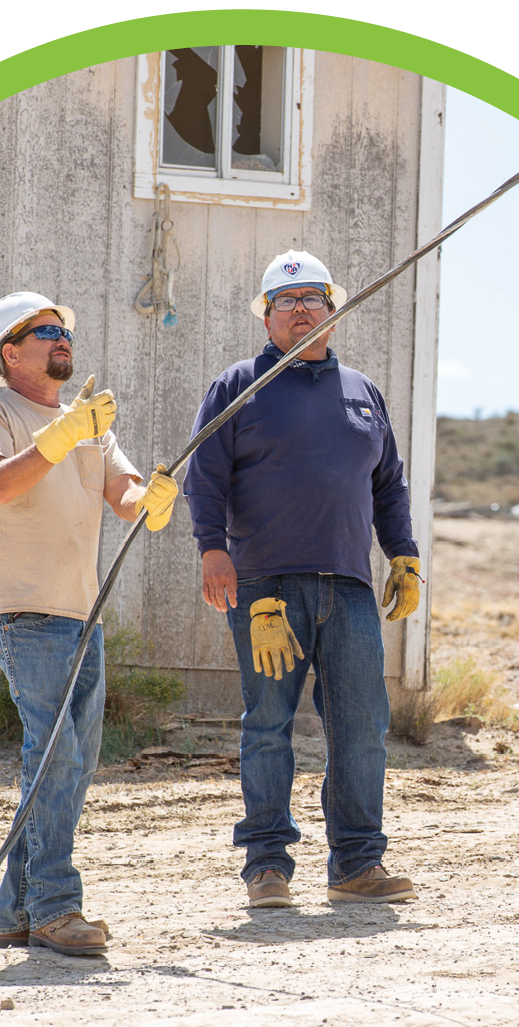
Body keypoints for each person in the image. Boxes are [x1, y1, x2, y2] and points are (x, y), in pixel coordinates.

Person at [183, 251, 422, 909]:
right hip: (268, 592)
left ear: (333, 311)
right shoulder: (238, 387)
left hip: (348, 587)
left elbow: (388, 483)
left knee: (362, 726)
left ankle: (356, 865)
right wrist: (213, 551)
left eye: (312, 298)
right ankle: (267, 868)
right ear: (266, 316)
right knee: (267, 725)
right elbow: (204, 478)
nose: (300, 310)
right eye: (285, 302)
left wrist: (403, 555)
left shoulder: (364, 393)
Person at [0, 291, 178, 955]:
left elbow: (126, 495)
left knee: (66, 769)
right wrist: (63, 433)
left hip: (83, 617)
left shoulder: (93, 427)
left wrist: (154, 499)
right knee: (55, 759)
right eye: (45, 331)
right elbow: (0, 484)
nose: (62, 339)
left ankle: (16, 912)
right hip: (27, 613)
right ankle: (57, 907)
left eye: (64, 331)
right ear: (10, 352)